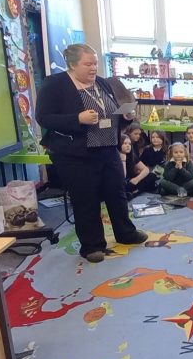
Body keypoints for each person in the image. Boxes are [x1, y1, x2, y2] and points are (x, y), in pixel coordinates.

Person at [36, 43, 147, 263]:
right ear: (72, 64)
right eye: (88, 64)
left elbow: (110, 111)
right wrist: (78, 119)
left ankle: (126, 233)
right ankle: (92, 245)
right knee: (86, 198)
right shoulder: (55, 85)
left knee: (117, 192)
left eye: (95, 63)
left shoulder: (102, 83)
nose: (93, 68)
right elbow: (44, 117)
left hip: (107, 148)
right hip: (76, 154)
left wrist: (124, 117)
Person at [120, 124, 156, 195]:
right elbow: (122, 177)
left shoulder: (132, 153)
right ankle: (134, 192)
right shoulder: (115, 156)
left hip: (131, 178)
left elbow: (146, 169)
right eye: (125, 143)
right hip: (121, 182)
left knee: (152, 176)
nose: (128, 146)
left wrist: (137, 179)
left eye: (129, 144)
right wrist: (123, 160)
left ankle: (135, 192)